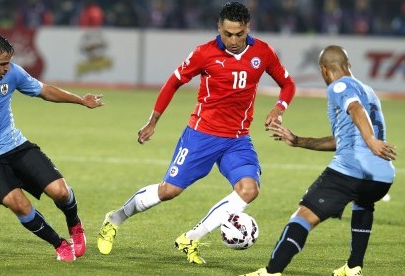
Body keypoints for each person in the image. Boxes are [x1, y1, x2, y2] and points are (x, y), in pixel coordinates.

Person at [97, 1, 295, 264]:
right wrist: (153, 121)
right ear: (219, 28)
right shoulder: (205, 53)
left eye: (239, 34)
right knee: (168, 191)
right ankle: (115, 219)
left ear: (248, 27)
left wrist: (279, 108)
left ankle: (191, 237)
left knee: (249, 189)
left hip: (237, 140)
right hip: (202, 136)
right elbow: (174, 82)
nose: (233, 40)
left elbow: (288, 84)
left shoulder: (263, 52)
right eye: (227, 34)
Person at [0, 33, 104, 262]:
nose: (8, 68)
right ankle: (59, 244)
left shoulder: (13, 73)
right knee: (18, 204)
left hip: (16, 145)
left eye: (9, 62)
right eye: (2, 64)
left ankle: (75, 224)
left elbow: (44, 90)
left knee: (60, 191)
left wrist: (80, 100)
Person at [243, 45, 396, 276]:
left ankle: (271, 272)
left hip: (351, 171)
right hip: (381, 177)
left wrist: (371, 141)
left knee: (303, 216)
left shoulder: (339, 85)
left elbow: (355, 109)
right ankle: (354, 267)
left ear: (324, 70)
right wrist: (298, 140)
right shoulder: (369, 90)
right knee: (363, 202)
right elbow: (342, 139)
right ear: (349, 65)